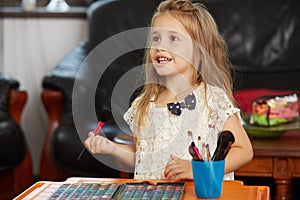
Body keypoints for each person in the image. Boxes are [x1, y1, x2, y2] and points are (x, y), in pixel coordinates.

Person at [84, 0, 253, 181]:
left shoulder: (212, 99)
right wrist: (111, 148)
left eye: (173, 38)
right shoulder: (144, 104)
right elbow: (144, 158)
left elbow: (244, 151)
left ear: (198, 51)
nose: (160, 46)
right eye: (156, 38)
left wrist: (201, 169)